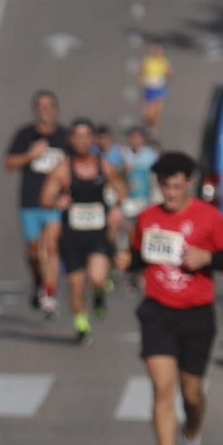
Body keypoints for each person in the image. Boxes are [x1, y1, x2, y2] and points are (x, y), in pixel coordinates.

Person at [115, 152, 223, 445]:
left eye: (175, 187)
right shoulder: (147, 218)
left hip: (197, 314)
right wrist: (127, 261)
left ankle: (192, 434)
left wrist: (208, 257)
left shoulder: (209, 217)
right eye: (164, 187)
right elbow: (140, 256)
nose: (169, 194)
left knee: (192, 394)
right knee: (162, 389)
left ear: (188, 183)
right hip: (157, 312)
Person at [41, 119, 128, 344]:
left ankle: (99, 294)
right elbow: (45, 197)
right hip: (72, 236)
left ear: (93, 139)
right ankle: (81, 325)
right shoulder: (63, 169)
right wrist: (57, 201)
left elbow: (121, 189)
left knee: (97, 277)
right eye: (77, 137)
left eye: (86, 136)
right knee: (75, 286)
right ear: (71, 139)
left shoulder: (104, 166)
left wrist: (117, 208)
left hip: (97, 233)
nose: (81, 142)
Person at [4, 90, 70, 318]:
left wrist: (67, 195)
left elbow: (77, 167)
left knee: (51, 246)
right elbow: (9, 163)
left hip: (54, 204)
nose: (45, 111)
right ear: (35, 110)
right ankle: (38, 281)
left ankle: (49, 295)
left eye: (49, 106)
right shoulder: (25, 135)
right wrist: (30, 155)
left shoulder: (65, 137)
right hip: (30, 201)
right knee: (33, 252)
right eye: (40, 106)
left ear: (56, 109)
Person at [115, 127, 160, 273]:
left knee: (142, 233)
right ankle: (124, 262)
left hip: (144, 201)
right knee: (126, 232)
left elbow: (155, 178)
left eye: (137, 138)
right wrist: (124, 172)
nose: (135, 141)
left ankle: (140, 264)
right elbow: (116, 177)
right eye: (132, 138)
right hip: (128, 201)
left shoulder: (150, 156)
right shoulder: (123, 155)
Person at [139, 44, 172, 131]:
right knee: (148, 111)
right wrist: (141, 78)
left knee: (157, 110)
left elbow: (169, 72)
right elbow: (141, 71)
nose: (158, 53)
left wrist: (168, 74)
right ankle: (148, 123)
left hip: (160, 87)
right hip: (150, 87)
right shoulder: (148, 60)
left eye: (160, 51)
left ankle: (153, 128)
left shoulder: (164, 61)